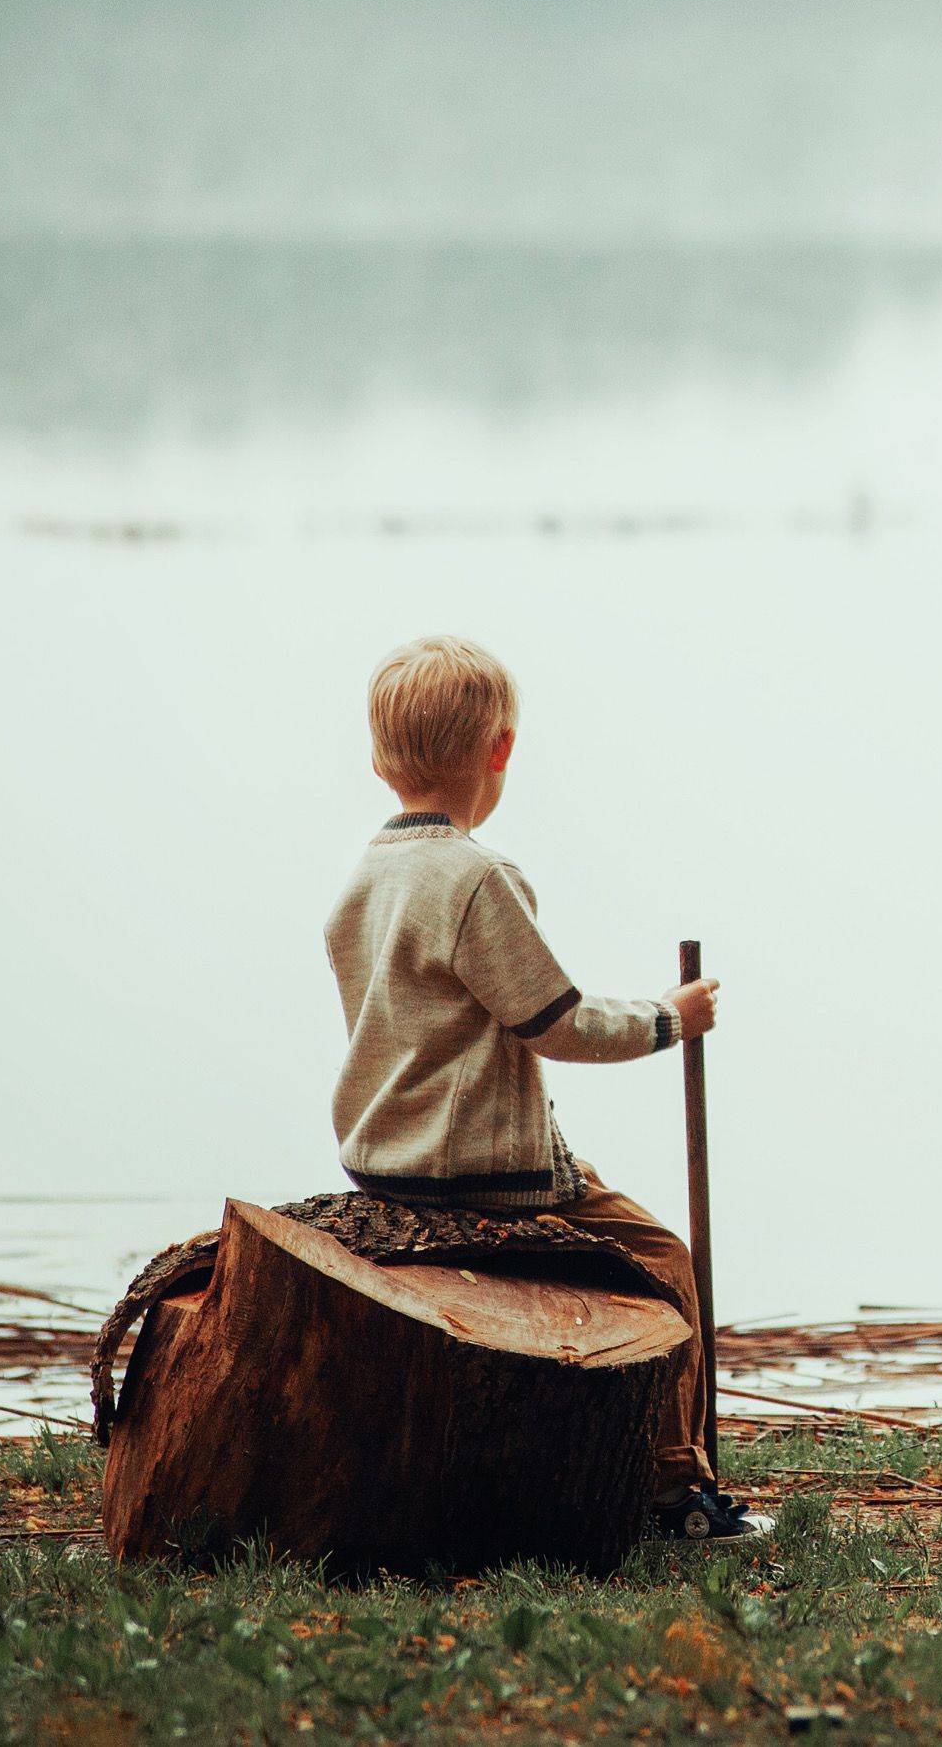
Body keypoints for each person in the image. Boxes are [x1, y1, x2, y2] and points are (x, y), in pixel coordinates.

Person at [325, 633, 763, 1538]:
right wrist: (670, 1018)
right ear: (502, 750)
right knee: (663, 1261)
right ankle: (677, 1493)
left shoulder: (360, 882)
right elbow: (556, 1023)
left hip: (384, 1169)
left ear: (377, 761)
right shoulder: (477, 879)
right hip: (488, 1175)